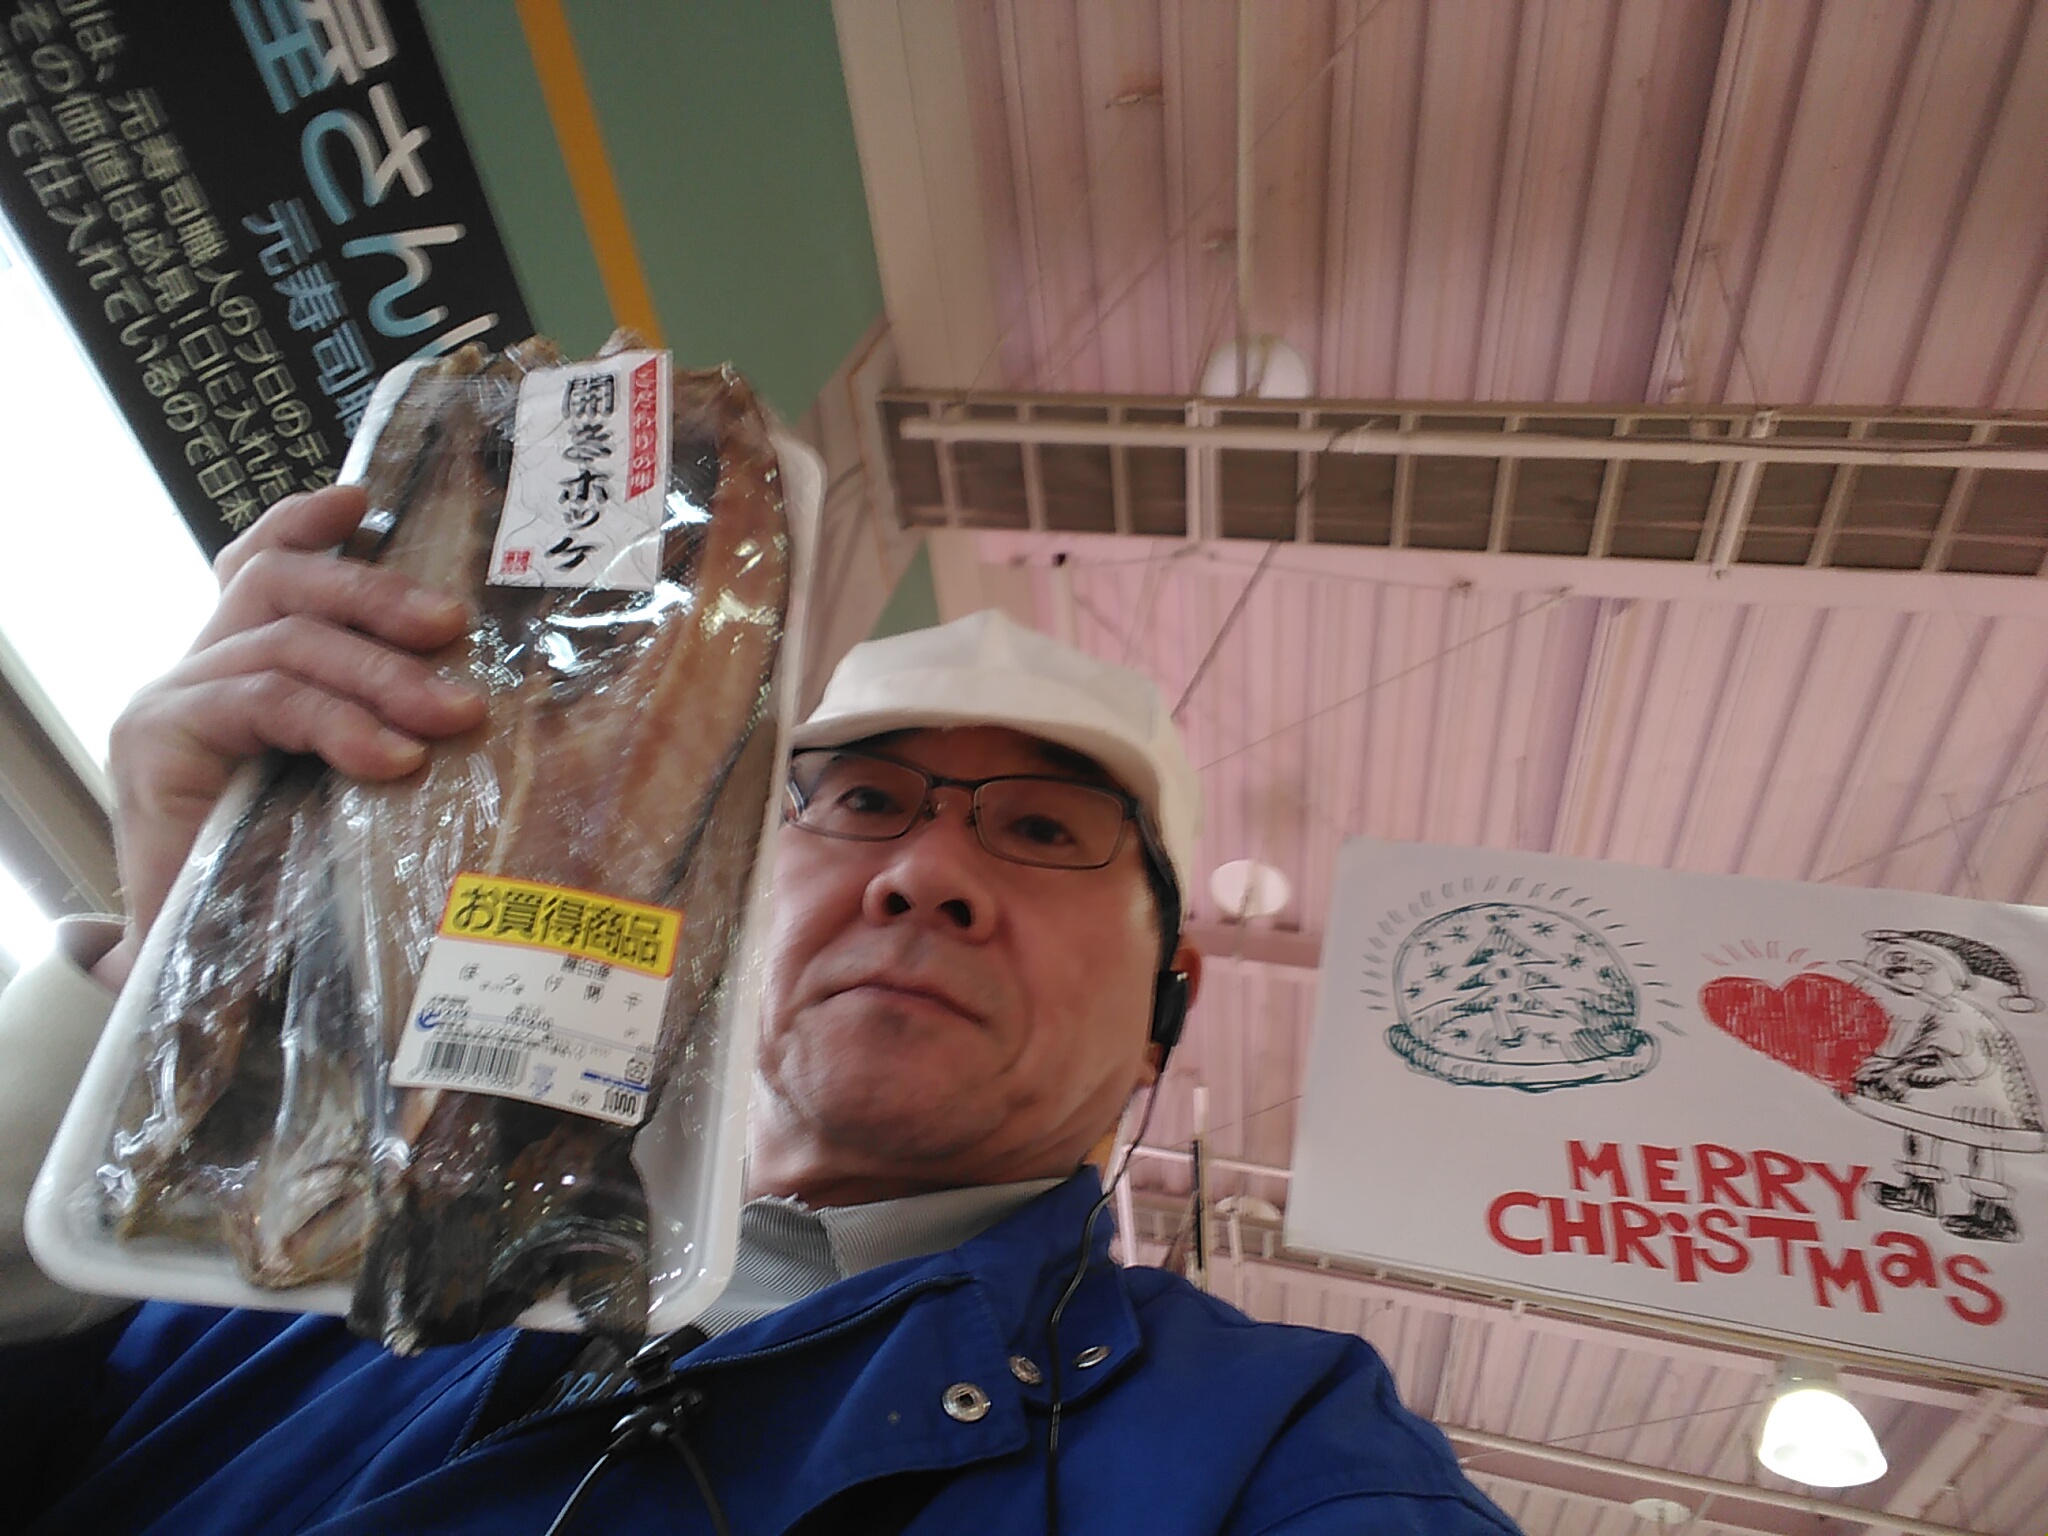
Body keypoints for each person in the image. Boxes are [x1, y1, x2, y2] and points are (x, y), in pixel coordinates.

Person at [0, 484, 1518, 1535]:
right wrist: (185, 958)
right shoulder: (309, 1227)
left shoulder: (1277, 1453)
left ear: (1161, 1014)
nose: (928, 875)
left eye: (1047, 830)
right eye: (862, 801)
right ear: (726, 902)